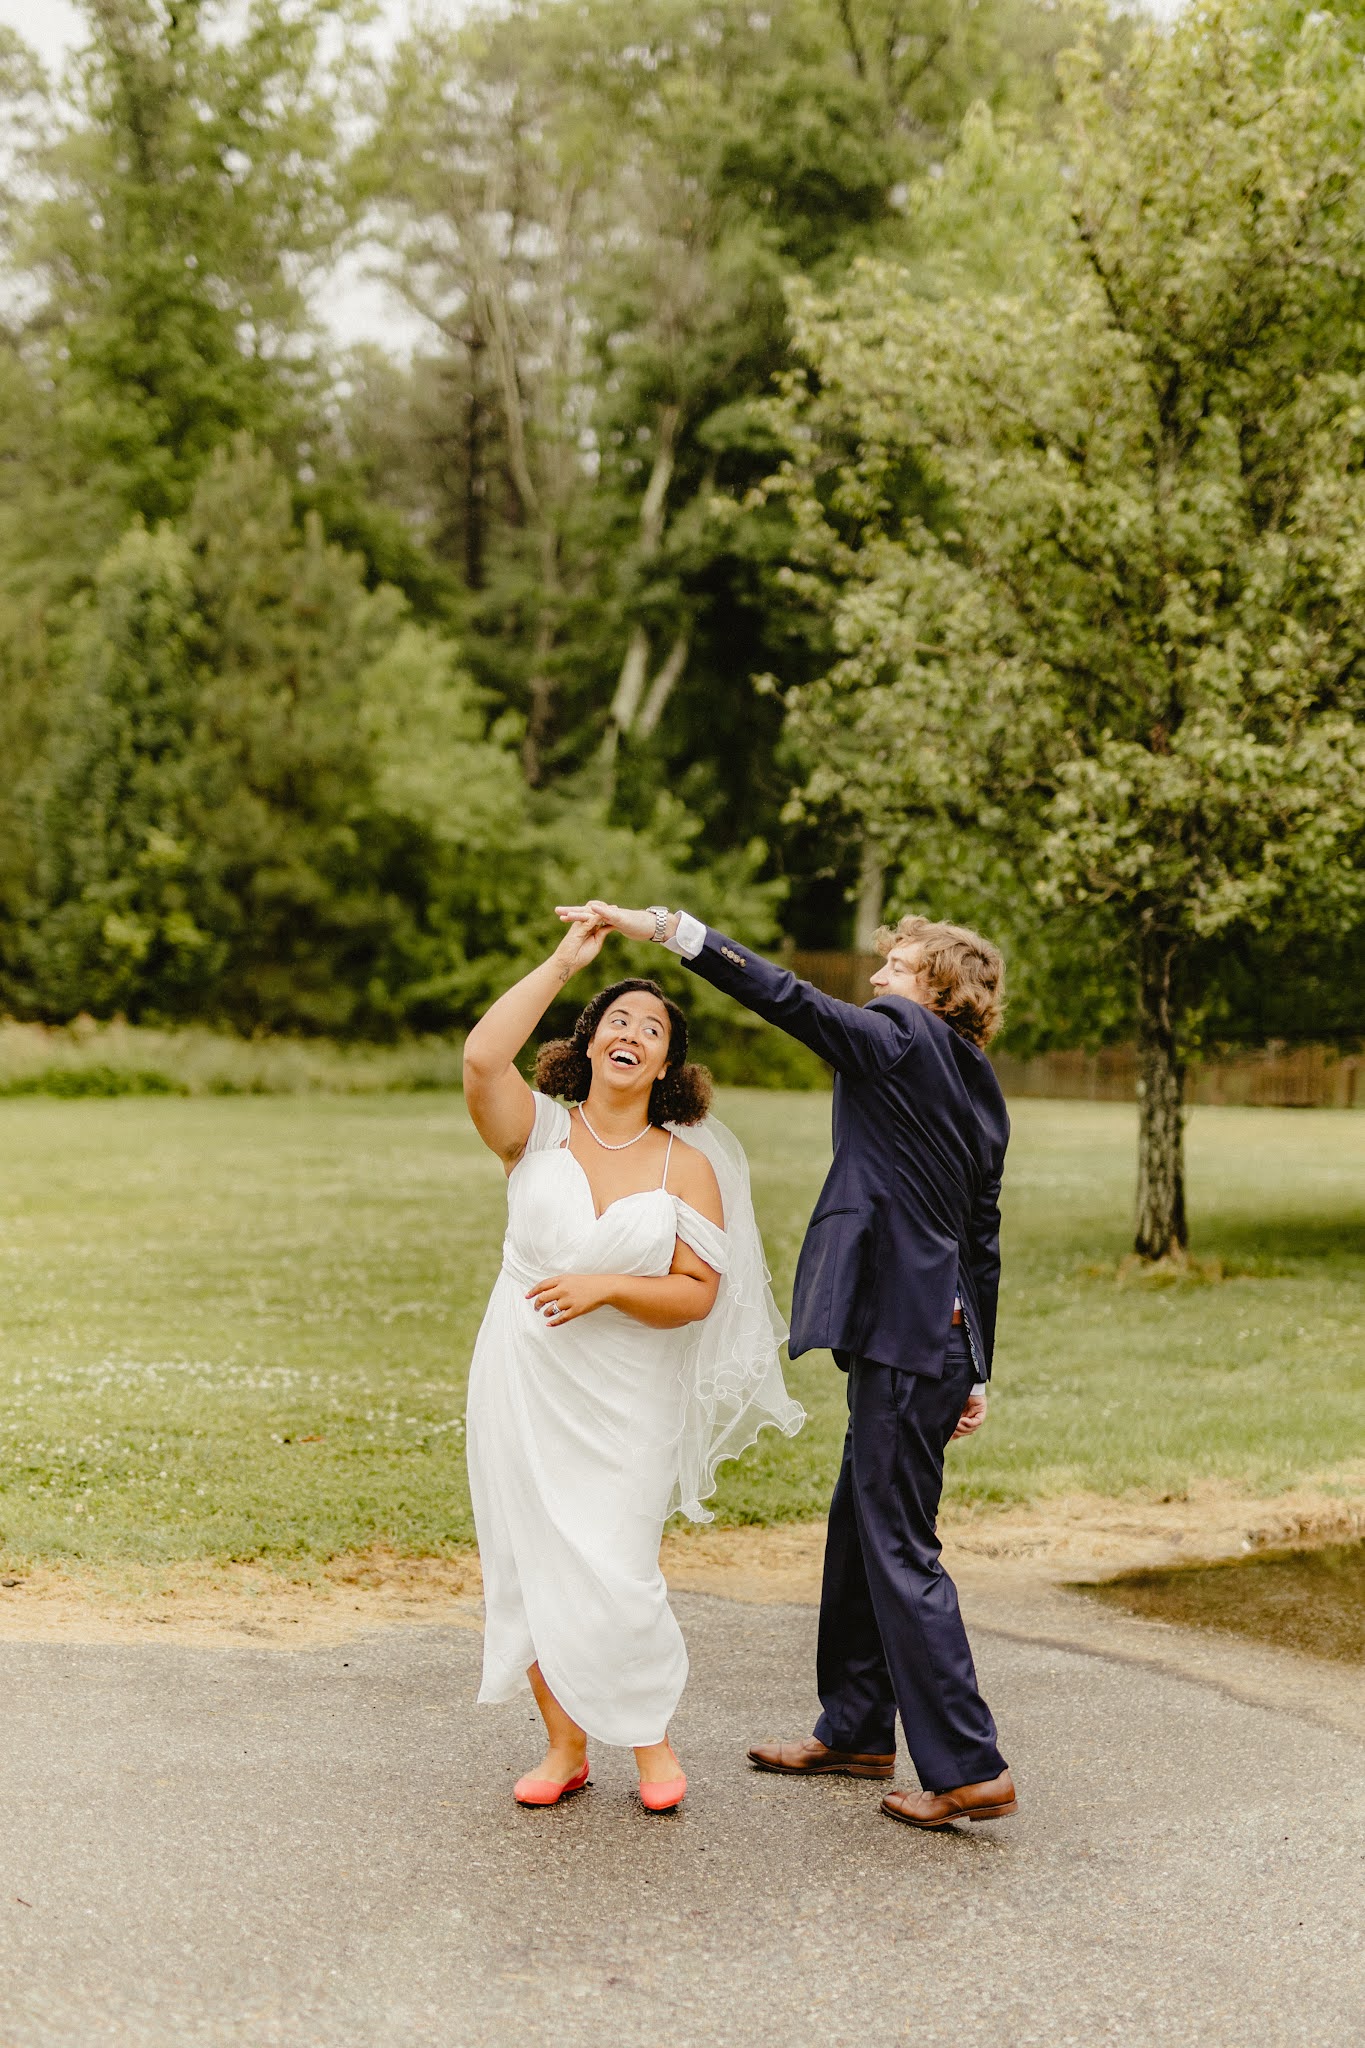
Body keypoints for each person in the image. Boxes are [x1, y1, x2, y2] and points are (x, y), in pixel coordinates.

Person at [555, 898, 1015, 1831]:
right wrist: (976, 1366)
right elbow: (982, 1233)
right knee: (859, 1527)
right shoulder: (976, 1081)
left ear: (936, 989)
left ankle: (970, 1767)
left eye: (899, 966)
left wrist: (672, 932)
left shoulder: (899, 1036)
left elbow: (790, 999)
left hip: (906, 1335)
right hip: (933, 1339)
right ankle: (854, 1729)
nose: (878, 977)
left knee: (897, 1545)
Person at [461, 913, 803, 1815]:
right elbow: (482, 1059)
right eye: (616, 1020)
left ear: (665, 1068)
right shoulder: (534, 1132)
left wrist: (607, 1286)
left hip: (627, 1393)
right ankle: (563, 1745)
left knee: (617, 1566)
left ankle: (650, 1739)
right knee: (528, 1559)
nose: (631, 1033)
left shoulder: (685, 1166)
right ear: (587, 1044)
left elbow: (697, 1294)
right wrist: (563, 962)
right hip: (523, 1375)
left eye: (651, 1030)